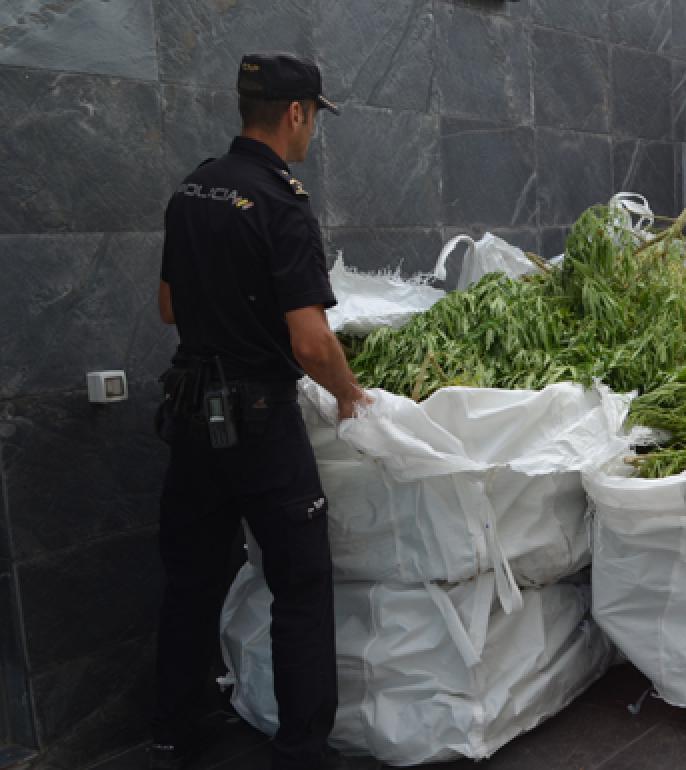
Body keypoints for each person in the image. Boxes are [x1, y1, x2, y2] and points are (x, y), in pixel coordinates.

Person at [150, 52, 368, 770]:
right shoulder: (281, 201)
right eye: (313, 119)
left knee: (192, 579)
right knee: (300, 585)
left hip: (191, 416)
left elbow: (169, 306)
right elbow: (310, 341)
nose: (312, 134)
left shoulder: (193, 189)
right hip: (260, 420)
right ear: (296, 113)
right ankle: (302, 752)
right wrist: (348, 392)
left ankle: (179, 729)